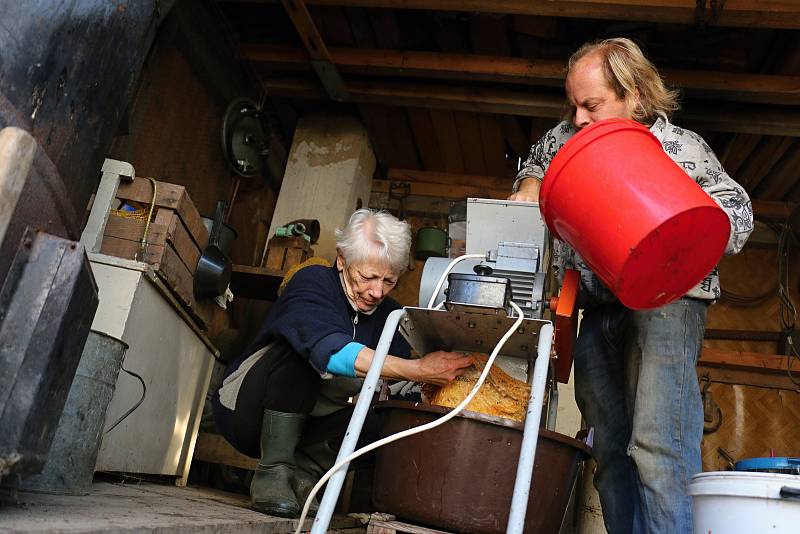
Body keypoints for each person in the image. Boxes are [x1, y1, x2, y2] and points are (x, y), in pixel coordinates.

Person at [510, 38, 753, 533]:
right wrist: (531, 183)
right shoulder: (568, 137)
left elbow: (739, 210)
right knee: (610, 453)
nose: (578, 117)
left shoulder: (681, 147)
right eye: (573, 104)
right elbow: (538, 158)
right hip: (598, 310)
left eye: (591, 105)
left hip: (669, 305)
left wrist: (685, 235)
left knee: (659, 446)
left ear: (635, 95)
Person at [212, 209, 472, 518]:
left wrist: (431, 376)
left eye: (389, 280)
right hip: (246, 413)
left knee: (391, 415)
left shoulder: (390, 314)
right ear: (341, 260)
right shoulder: (313, 281)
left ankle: (305, 476)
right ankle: (273, 472)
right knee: (301, 353)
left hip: (309, 426)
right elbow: (330, 351)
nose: (377, 291)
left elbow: (405, 377)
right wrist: (418, 369)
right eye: (368, 276)